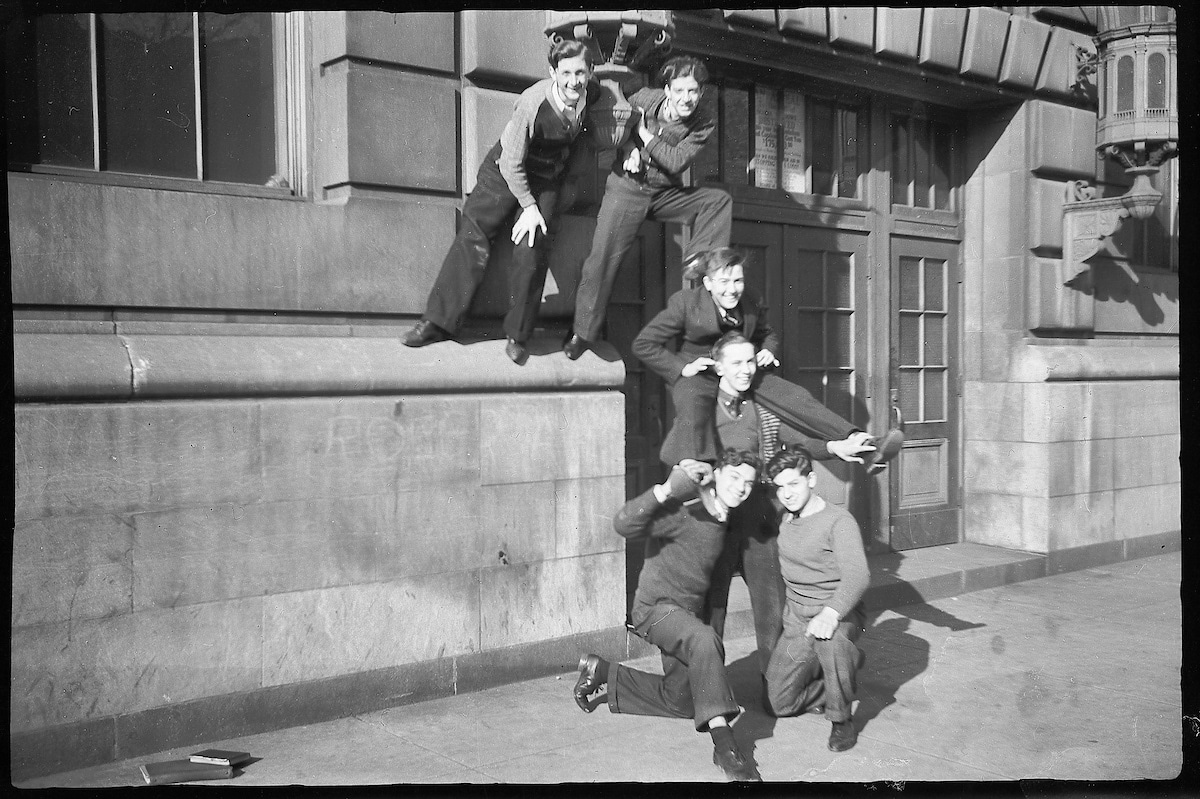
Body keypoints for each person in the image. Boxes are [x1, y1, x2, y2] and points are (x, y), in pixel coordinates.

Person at [687, 332, 870, 687]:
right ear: (719, 366)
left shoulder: (762, 406)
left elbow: (797, 439)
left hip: (761, 515)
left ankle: (777, 681)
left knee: (770, 602)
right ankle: (708, 683)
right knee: (713, 602)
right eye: (736, 363)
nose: (745, 370)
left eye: (750, 361)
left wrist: (835, 446)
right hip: (717, 514)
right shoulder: (703, 407)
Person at [572, 449, 764, 782]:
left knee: (684, 702)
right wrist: (666, 489)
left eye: (748, 482)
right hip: (654, 610)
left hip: (685, 617)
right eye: (734, 477)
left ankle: (602, 671)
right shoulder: (685, 511)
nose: (741, 488)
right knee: (703, 640)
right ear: (717, 474)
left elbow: (712, 581)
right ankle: (725, 746)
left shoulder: (726, 516)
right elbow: (622, 522)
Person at [403, 39, 597, 365]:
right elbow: (511, 164)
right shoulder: (532, 104)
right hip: (504, 171)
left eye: (580, 72)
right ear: (553, 72)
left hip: (545, 177)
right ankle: (437, 323)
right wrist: (530, 207)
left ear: (590, 71)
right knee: (474, 236)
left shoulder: (590, 95)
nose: (574, 81)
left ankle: (519, 335)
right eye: (565, 73)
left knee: (533, 248)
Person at [635, 246, 903, 471]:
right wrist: (683, 368)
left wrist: (766, 350)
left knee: (795, 396)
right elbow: (644, 344)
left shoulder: (750, 300)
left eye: (737, 281)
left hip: (742, 368)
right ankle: (699, 474)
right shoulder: (685, 303)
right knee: (693, 406)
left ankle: (864, 444)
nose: (732, 290)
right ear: (707, 283)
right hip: (702, 371)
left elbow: (768, 334)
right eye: (723, 282)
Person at [562, 55, 732, 360]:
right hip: (628, 188)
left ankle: (701, 260)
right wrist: (629, 147)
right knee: (600, 260)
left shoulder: (704, 121)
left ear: (701, 92)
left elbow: (678, 160)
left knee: (718, 201)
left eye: (693, 91)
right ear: (666, 89)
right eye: (679, 91)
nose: (686, 99)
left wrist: (643, 135)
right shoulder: (643, 98)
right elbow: (617, 121)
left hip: (664, 192)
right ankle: (582, 333)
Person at [762, 447, 869, 753]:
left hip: (837, 612)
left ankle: (841, 718)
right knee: (777, 703)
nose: (786, 494)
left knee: (832, 642)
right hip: (798, 618)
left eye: (793, 484)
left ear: (811, 479)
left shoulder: (839, 521)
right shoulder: (785, 517)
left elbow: (858, 576)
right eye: (779, 487)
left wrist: (831, 613)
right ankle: (838, 676)